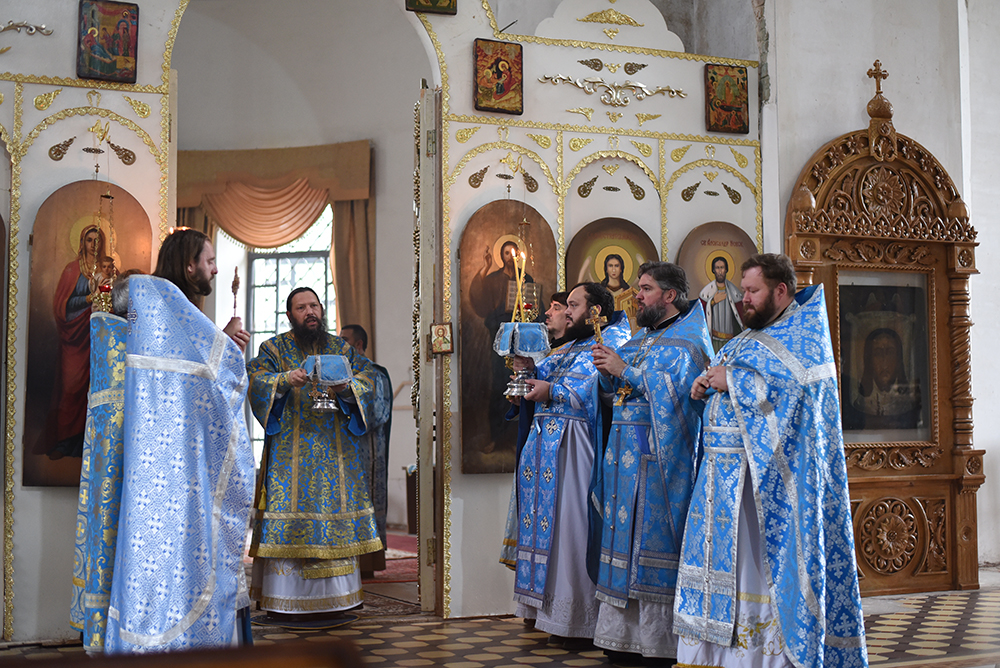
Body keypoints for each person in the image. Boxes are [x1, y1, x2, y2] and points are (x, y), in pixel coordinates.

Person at [676, 253, 868, 668]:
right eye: (743, 290)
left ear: (781, 291)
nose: (743, 299)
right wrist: (705, 385)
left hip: (762, 490)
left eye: (752, 291)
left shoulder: (803, 334)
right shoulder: (749, 336)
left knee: (758, 576)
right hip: (720, 484)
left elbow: (797, 396)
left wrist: (736, 381)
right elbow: (728, 377)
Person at [104, 229, 255, 653]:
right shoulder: (159, 303)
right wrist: (225, 346)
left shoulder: (176, 316)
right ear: (189, 265)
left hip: (175, 464)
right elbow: (219, 372)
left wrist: (221, 338)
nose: (215, 268)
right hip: (167, 464)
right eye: (209, 260)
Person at [589, 262, 712, 664]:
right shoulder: (643, 339)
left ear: (669, 296)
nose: (637, 295)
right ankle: (618, 638)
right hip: (622, 460)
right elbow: (618, 392)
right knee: (621, 545)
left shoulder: (690, 341)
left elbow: (681, 396)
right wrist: (609, 374)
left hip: (658, 463)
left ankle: (657, 644)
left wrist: (625, 371)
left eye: (645, 288)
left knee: (649, 548)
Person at [247, 288, 382, 622]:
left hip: (337, 458)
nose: (309, 312)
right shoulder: (274, 348)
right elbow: (256, 378)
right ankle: (284, 600)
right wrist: (283, 379)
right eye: (301, 307)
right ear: (290, 314)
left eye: (314, 306)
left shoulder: (341, 349)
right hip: (289, 461)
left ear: (322, 310)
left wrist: (346, 387)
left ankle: (338, 600)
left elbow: (371, 379)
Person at [509, 282, 631, 646]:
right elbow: (544, 379)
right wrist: (527, 374)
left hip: (577, 451)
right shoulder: (572, 345)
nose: (567, 312)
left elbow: (593, 390)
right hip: (549, 447)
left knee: (572, 528)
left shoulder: (613, 340)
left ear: (595, 311)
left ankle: (576, 618)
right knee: (553, 529)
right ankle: (548, 615)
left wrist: (551, 390)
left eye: (574, 306)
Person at [69, 272, 138, 653]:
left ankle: (103, 631)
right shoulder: (119, 335)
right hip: (119, 451)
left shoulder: (103, 332)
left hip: (109, 450)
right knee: (110, 534)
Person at [500, 291, 570, 571]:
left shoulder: (575, 351)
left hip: (562, 447)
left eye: (557, 308)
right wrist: (521, 395)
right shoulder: (550, 352)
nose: (548, 313)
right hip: (537, 443)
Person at [45, 225, 109, 460]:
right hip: (74, 336)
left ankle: (84, 441)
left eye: (97, 240)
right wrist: (89, 298)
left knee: (92, 390)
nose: (94, 244)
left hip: (96, 335)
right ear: (82, 243)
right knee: (71, 387)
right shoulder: (72, 270)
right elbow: (63, 305)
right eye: (89, 240)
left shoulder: (106, 271)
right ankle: (64, 440)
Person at [470, 240, 535, 453]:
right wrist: (485, 268)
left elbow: (535, 309)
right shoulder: (493, 279)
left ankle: (518, 438)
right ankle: (497, 437)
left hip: (522, 341)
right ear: (501, 255)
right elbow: (479, 300)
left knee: (523, 387)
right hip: (499, 337)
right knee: (499, 384)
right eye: (506, 253)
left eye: (513, 252)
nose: (510, 256)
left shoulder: (526, 279)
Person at [340, 323, 393, 574]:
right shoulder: (338, 372)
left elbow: (377, 414)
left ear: (359, 345)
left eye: (345, 340)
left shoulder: (375, 374)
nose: (340, 345)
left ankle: (367, 565)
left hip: (367, 452)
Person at [848, 327, 921, 430]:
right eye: (878, 353)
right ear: (869, 360)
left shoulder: (907, 405)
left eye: (890, 352)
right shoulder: (860, 404)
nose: (884, 361)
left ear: (898, 359)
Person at [698, 255, 744, 353]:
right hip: (714, 340)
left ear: (726, 270)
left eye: (722, 268)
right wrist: (713, 301)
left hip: (730, 340)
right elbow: (699, 316)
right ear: (713, 270)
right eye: (717, 268)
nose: (719, 271)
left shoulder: (733, 291)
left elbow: (741, 317)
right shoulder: (706, 292)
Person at [601, 253, 638, 330]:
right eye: (610, 266)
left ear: (621, 269)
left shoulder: (630, 294)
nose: (613, 270)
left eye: (617, 266)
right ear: (606, 269)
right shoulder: (599, 293)